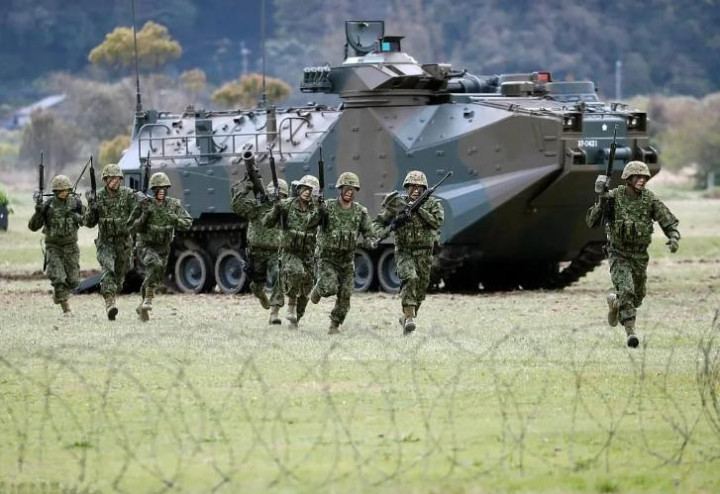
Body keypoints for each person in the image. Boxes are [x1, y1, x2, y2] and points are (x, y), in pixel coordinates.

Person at [586, 160, 680, 348]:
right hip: (618, 253)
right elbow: (592, 221)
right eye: (638, 177)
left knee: (637, 296)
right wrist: (602, 198)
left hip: (639, 256)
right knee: (627, 290)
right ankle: (631, 333)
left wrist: (673, 236)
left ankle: (615, 302)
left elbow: (666, 219)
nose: (642, 180)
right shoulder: (614, 197)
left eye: (645, 177)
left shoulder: (649, 199)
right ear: (628, 178)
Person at [374, 170, 444, 334]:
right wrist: (381, 233)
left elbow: (437, 222)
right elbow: (379, 222)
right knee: (410, 278)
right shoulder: (398, 204)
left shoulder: (432, 204)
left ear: (424, 189)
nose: (416, 190)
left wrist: (418, 209)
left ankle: (406, 317)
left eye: (420, 187)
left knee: (420, 290)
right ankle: (410, 319)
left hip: (425, 254)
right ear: (406, 188)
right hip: (404, 252)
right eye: (412, 186)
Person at [309, 172, 379, 334]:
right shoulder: (327, 207)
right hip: (327, 258)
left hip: (346, 260)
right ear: (340, 189)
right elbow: (311, 222)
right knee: (329, 287)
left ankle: (334, 326)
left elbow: (369, 232)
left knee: (346, 294)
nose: (349, 191)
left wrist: (371, 241)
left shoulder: (360, 211)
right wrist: (317, 206)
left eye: (353, 189)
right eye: (347, 188)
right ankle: (318, 290)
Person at [128, 172, 192, 321]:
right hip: (145, 246)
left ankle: (142, 306)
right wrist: (144, 214)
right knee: (154, 264)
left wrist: (175, 219)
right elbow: (131, 227)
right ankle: (148, 300)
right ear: (153, 190)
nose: (162, 191)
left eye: (164, 188)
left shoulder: (173, 205)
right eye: (158, 188)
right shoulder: (145, 205)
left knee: (155, 275)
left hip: (163, 248)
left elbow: (188, 223)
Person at [83, 163, 141, 320]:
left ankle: (113, 291)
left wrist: (143, 203)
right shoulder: (98, 196)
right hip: (106, 242)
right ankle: (110, 303)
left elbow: (138, 214)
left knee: (120, 277)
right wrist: (92, 206)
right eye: (112, 178)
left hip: (124, 243)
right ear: (105, 180)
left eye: (118, 178)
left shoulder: (128, 195)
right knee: (109, 270)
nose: (116, 181)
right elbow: (89, 223)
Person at [262, 175, 321, 329]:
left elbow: (328, 223)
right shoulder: (287, 205)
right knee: (296, 272)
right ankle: (288, 306)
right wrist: (276, 207)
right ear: (299, 189)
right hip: (289, 252)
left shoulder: (317, 209)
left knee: (306, 289)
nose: (307, 192)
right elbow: (267, 222)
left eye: (311, 190)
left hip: (308, 254)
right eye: (305, 188)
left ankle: (295, 320)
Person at [231, 177, 288, 324]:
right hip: (256, 252)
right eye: (274, 193)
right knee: (257, 285)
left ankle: (274, 313)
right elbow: (237, 205)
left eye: (281, 194)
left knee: (279, 276)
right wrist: (246, 187)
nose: (277, 196)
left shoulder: (284, 210)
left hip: (276, 252)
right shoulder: (257, 207)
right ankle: (260, 294)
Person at [28, 175, 86, 316]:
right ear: (55, 191)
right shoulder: (47, 206)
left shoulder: (76, 204)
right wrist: (38, 211)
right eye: (60, 190)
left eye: (65, 190)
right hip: (53, 247)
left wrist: (81, 213)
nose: (63, 193)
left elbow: (87, 221)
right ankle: (66, 309)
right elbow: (33, 227)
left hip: (71, 248)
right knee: (58, 278)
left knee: (73, 282)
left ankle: (58, 294)